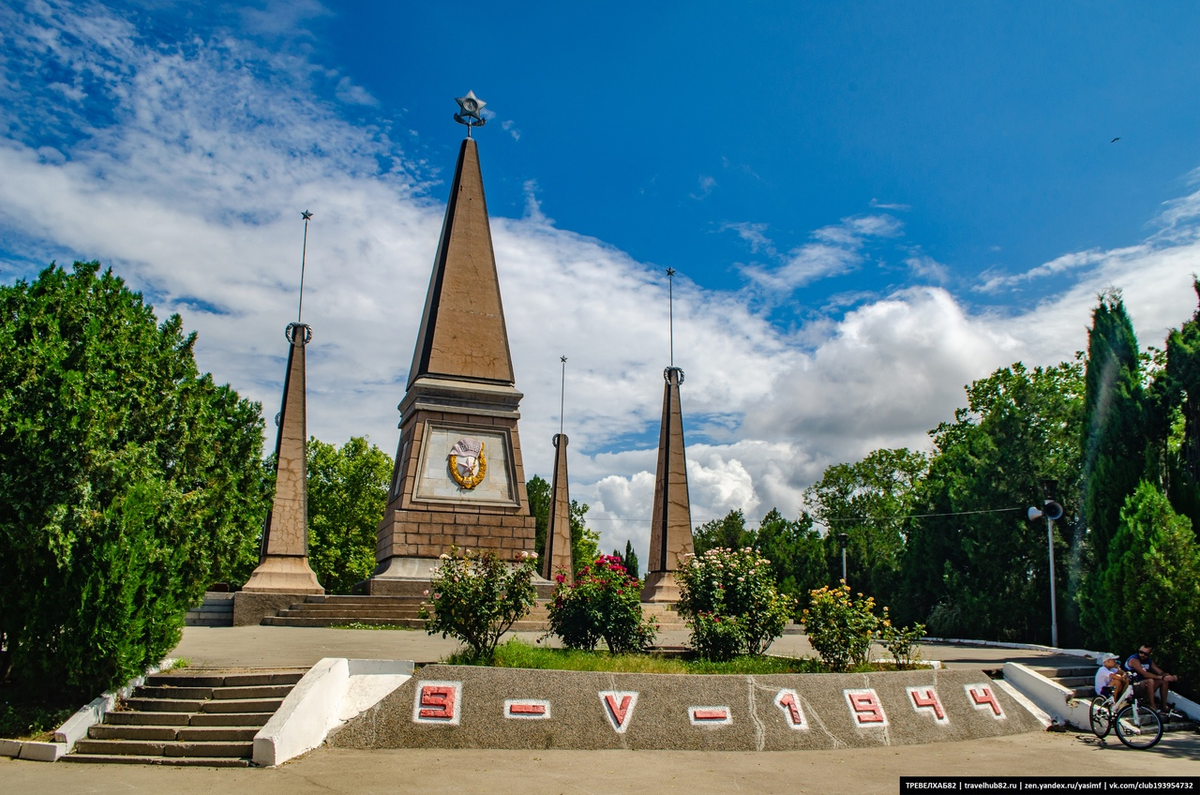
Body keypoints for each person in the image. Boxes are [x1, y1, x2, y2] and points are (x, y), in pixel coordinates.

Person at [1124, 643, 1179, 714]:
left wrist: (1170, 676)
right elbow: (1145, 674)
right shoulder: (1133, 659)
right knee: (1150, 681)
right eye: (1141, 652)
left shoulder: (1149, 661)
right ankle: (1153, 707)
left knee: (1164, 681)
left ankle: (1163, 706)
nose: (1142, 655)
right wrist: (1162, 677)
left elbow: (1160, 672)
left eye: (1145, 654)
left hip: (1143, 686)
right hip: (1133, 686)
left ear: (1149, 654)